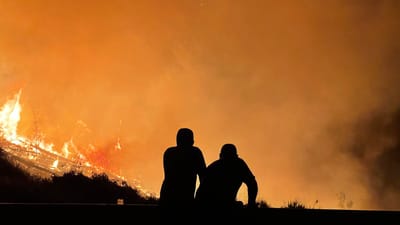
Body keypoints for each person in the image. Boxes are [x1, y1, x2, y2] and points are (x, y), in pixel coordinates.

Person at [195, 143, 258, 209]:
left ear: (220, 156)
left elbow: (252, 183)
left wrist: (251, 203)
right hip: (209, 204)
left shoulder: (238, 164)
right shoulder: (215, 167)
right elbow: (252, 183)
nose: (228, 162)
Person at [159, 128, 206, 208]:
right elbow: (203, 176)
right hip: (185, 198)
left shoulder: (169, 152)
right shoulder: (195, 152)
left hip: (167, 196)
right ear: (192, 141)